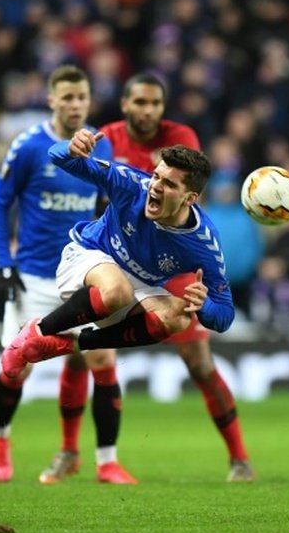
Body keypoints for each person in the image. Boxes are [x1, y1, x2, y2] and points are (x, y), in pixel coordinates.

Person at [0, 132, 236, 460]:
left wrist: (205, 306)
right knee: (117, 291)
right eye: (156, 176)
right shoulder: (130, 183)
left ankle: (72, 343)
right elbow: (59, 158)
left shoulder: (205, 243)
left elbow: (225, 314)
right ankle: (37, 332)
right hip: (87, 256)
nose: (155, 186)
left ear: (190, 198)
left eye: (169, 184)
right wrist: (70, 147)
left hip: (135, 284)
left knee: (177, 317)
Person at [98, 73, 254, 481]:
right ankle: (73, 453)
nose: (148, 111)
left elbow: (183, 185)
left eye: (155, 104)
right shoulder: (106, 137)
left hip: (172, 262)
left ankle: (239, 457)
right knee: (90, 354)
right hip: (121, 251)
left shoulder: (180, 136)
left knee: (199, 362)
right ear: (126, 105)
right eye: (141, 103)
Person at [0, 65, 132, 485]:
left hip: (79, 272)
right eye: (66, 97)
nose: (74, 104)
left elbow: (114, 206)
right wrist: (3, 262)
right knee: (17, 369)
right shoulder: (30, 146)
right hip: (31, 275)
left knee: (101, 358)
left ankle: (107, 462)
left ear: (89, 100)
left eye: (81, 97)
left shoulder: (99, 148)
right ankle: (1, 437)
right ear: (51, 99)